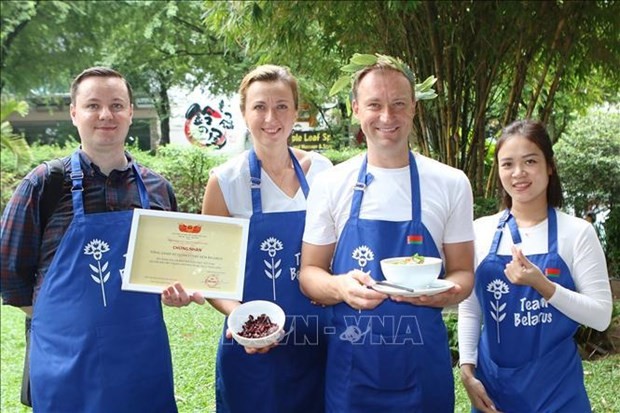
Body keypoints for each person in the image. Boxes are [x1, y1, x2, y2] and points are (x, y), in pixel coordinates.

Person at [299, 55, 475, 412]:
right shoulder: (331, 183)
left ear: (413, 108)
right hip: (352, 372)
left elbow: (464, 274)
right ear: (355, 109)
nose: (386, 117)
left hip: (423, 370)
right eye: (374, 105)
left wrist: (441, 293)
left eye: (398, 104)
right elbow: (309, 274)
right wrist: (339, 287)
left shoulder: (450, 183)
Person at [0, 67, 178, 413]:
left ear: (130, 112)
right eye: (92, 105)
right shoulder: (45, 183)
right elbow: (8, 272)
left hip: (141, 361)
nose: (105, 115)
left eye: (116, 105)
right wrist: (60, 325)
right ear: (74, 113)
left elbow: (172, 268)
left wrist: (177, 291)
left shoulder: (157, 189)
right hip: (66, 363)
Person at [162, 64, 332, 413]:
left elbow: (337, 254)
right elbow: (209, 273)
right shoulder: (225, 181)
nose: (271, 117)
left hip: (319, 340)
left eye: (282, 105)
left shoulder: (324, 172)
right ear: (244, 113)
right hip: (253, 344)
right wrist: (240, 317)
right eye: (259, 106)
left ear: (297, 112)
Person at [458, 120, 613, 412]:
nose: (519, 173)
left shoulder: (577, 232)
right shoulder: (481, 230)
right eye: (508, 164)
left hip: (557, 391)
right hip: (493, 390)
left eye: (530, 161)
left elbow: (601, 316)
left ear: (549, 166)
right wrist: (467, 371)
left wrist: (543, 284)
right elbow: (471, 307)